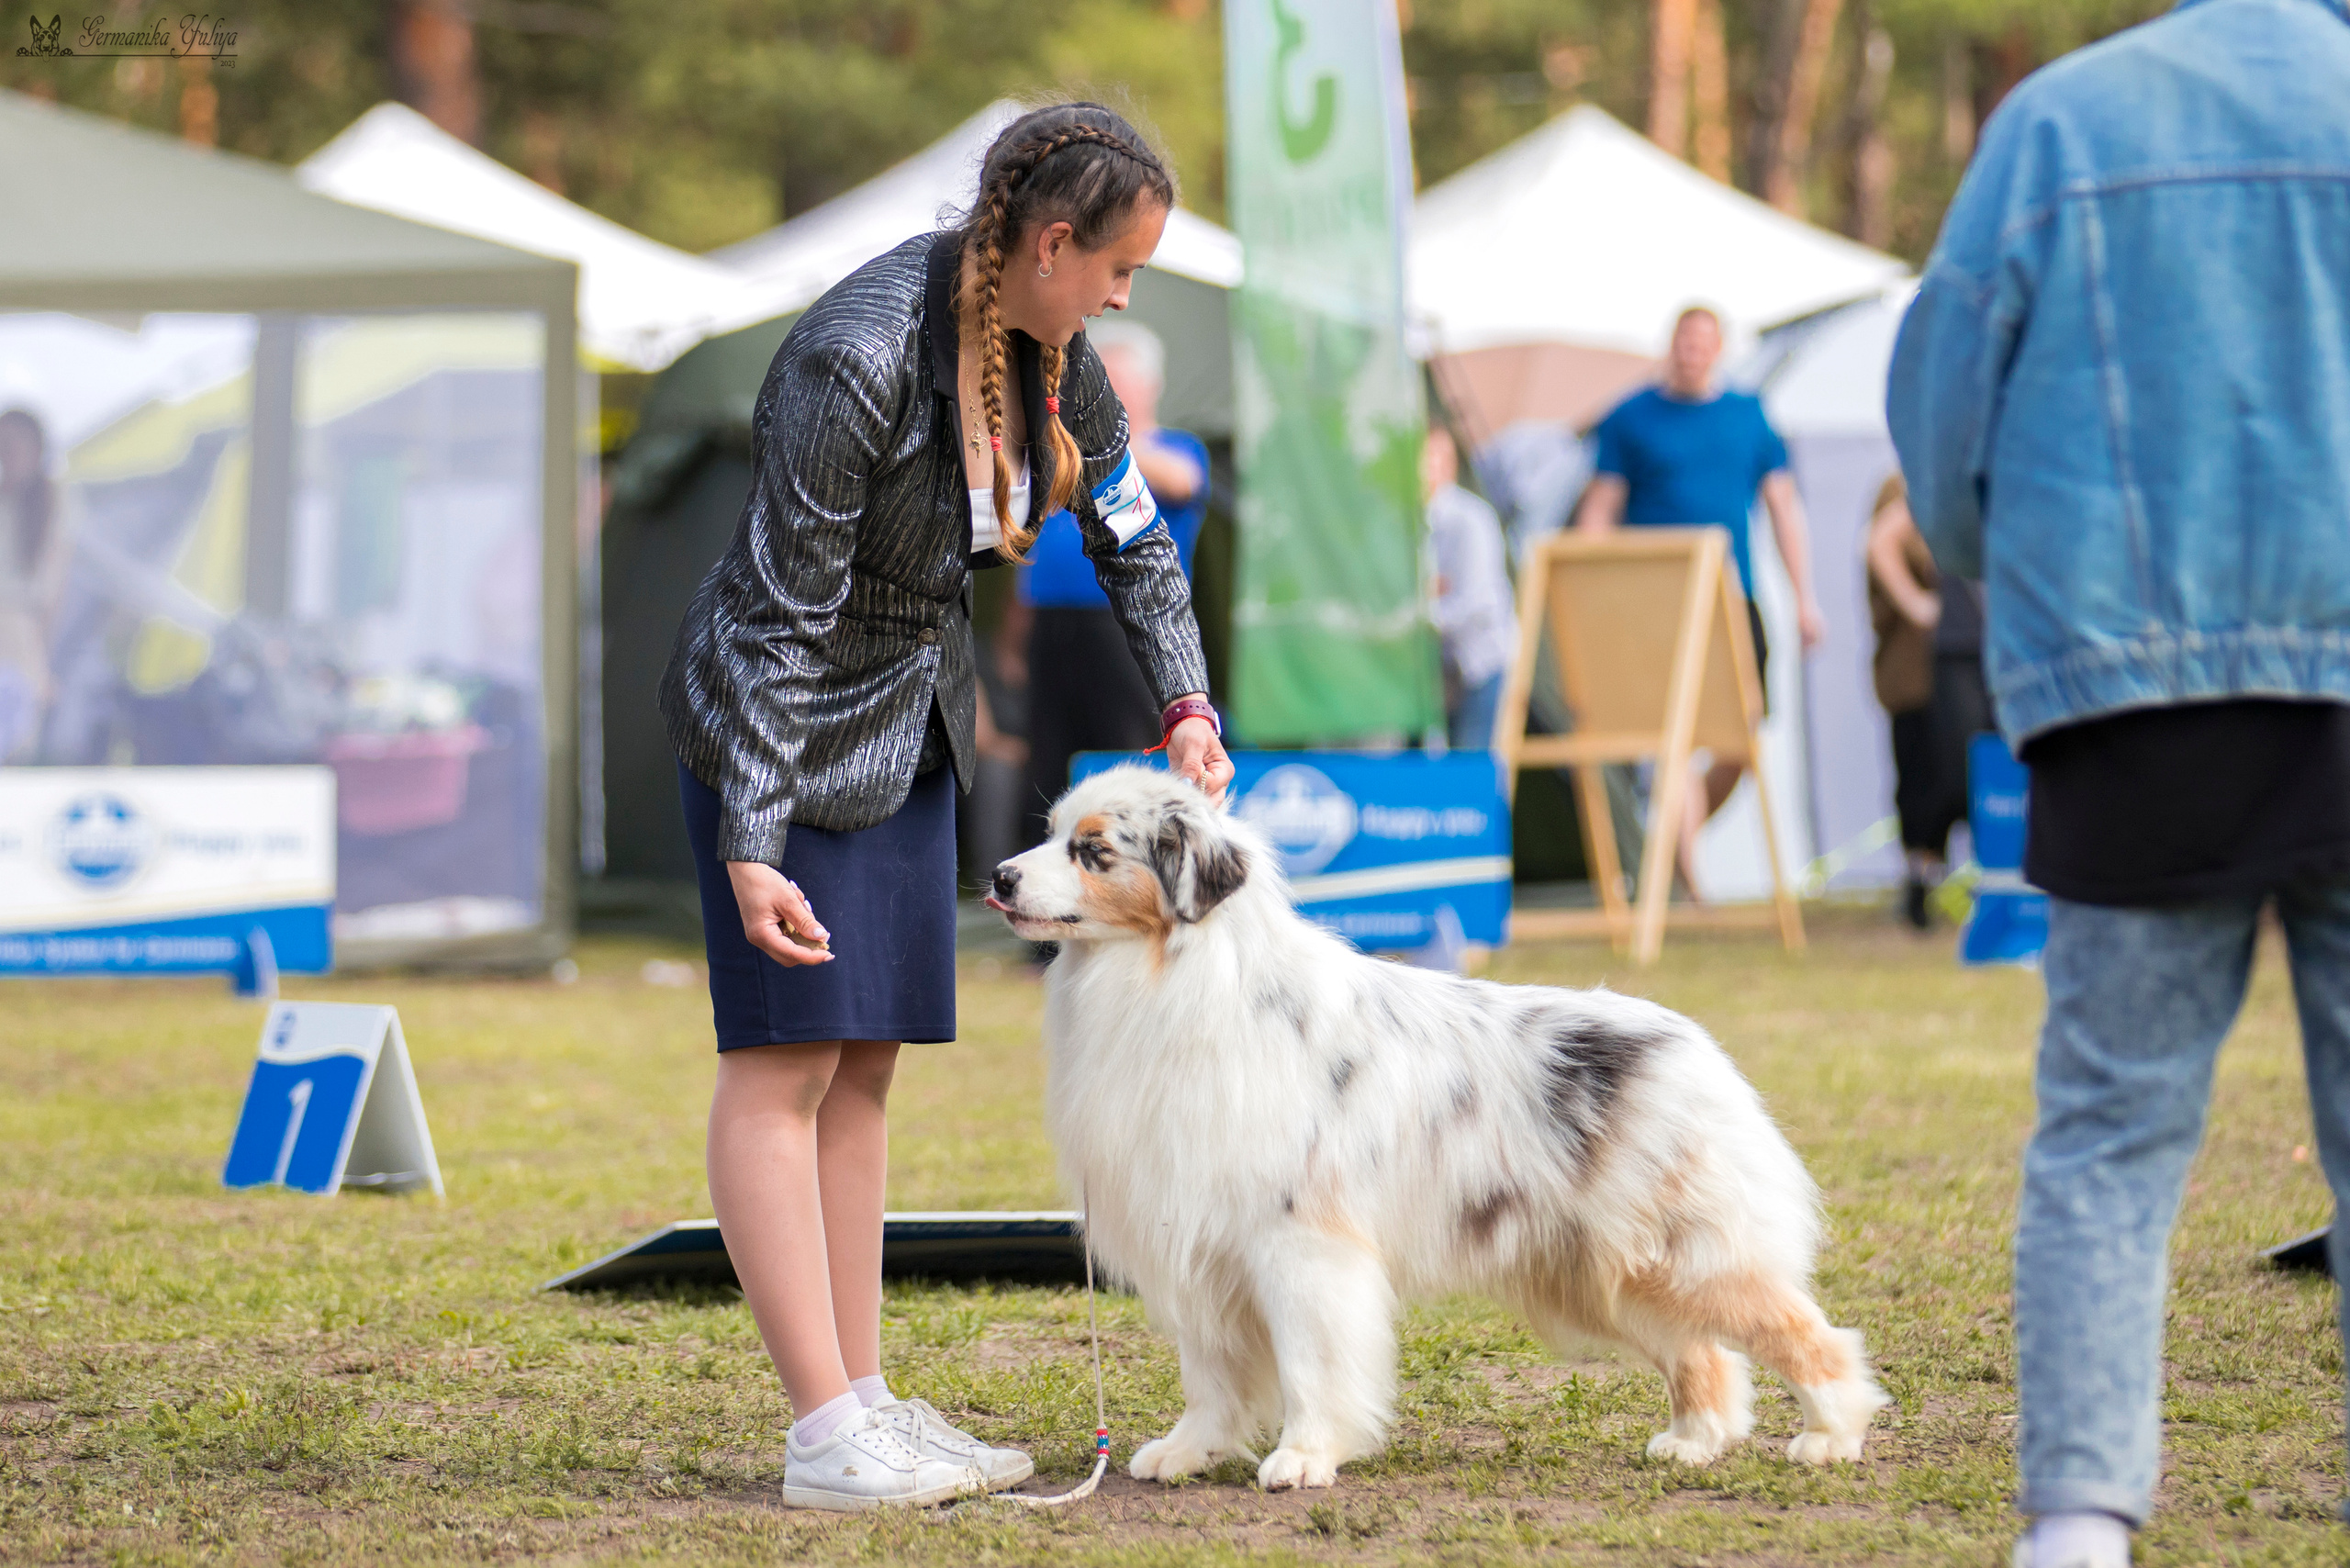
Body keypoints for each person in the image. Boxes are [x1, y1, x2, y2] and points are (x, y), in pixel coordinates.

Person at [658, 102, 1234, 1512]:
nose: (1121, 294)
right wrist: (750, 839)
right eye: (1119, 269)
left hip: (913, 728)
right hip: (775, 733)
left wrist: (1188, 704)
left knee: (865, 1065)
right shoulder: (853, 361)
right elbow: (784, 621)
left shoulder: (1056, 359)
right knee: (780, 1063)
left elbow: (1138, 547)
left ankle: (864, 1401)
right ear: (1051, 242)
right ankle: (820, 1435)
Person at [1887, 1, 2350, 1562]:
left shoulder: (2062, 122)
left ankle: (2078, 1523)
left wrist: (2002, 576)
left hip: (2127, 682)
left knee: (2110, 1125)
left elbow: (1944, 420)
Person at [1574, 305, 1824, 896]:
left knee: (1740, 739)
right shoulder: (1630, 418)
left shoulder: (1748, 416)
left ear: (1718, 350)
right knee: (1677, 740)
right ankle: (1686, 879)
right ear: (1671, 347)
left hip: (1732, 600)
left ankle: (1662, 850)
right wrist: (1589, 587)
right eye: (1683, 342)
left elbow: (1784, 510)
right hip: (1655, 604)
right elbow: (1600, 510)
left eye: (1702, 343)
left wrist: (1806, 599)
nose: (1691, 352)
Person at [1015, 318, 1209, 845]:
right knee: (1048, 760)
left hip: (1125, 630)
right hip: (1054, 629)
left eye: (1119, 381)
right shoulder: (1067, 455)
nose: (1111, 392)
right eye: (1104, 381)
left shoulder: (1174, 447)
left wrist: (1099, 431)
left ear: (1151, 386)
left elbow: (1182, 480)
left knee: (1126, 751)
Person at [1863, 473, 1990, 930]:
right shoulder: (1928, 476)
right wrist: (1919, 606)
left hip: (1982, 651)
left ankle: (1989, 884)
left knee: (1981, 773)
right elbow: (1881, 540)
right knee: (1936, 776)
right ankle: (1923, 880)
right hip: (1935, 659)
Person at [1420, 423, 1518, 749]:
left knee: (1472, 759)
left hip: (1481, 663)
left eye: (1441, 456)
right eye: (1426, 455)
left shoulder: (1470, 520)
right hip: (1431, 668)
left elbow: (1473, 603)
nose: (1434, 465)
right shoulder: (1391, 522)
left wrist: (1417, 617)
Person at [0, 407, 69, 762]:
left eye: (16, 445)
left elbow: (50, 600)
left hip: (20, 651)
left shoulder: (52, 512)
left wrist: (43, 667)